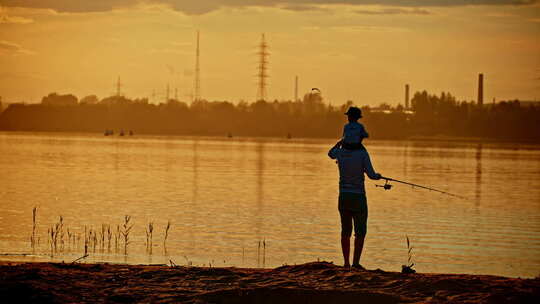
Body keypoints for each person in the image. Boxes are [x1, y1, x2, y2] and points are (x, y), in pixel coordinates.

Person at [328, 140, 381, 269]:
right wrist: (378, 176)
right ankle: (355, 263)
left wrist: (338, 143)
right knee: (360, 231)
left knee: (345, 230)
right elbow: (372, 175)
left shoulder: (340, 152)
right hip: (358, 197)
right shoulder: (362, 153)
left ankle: (346, 263)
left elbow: (330, 154)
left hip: (344, 196)